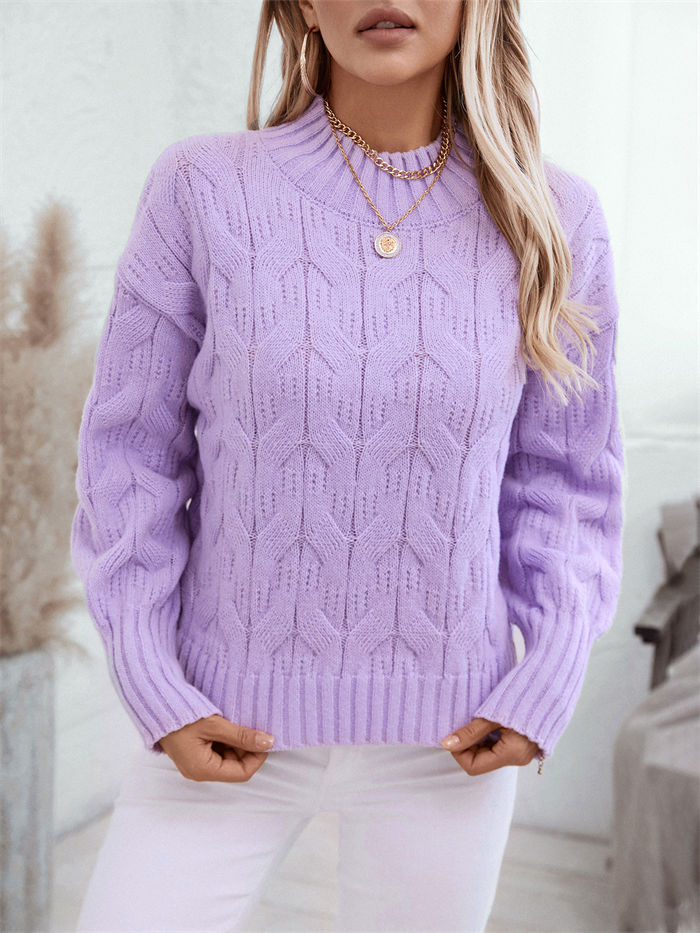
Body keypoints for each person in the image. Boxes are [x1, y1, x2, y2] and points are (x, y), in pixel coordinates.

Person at [70, 0, 625, 930]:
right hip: (216, 717)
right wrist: (153, 682)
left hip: (453, 742)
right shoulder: (203, 189)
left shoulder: (557, 215)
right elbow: (131, 456)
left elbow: (567, 483)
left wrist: (549, 673)